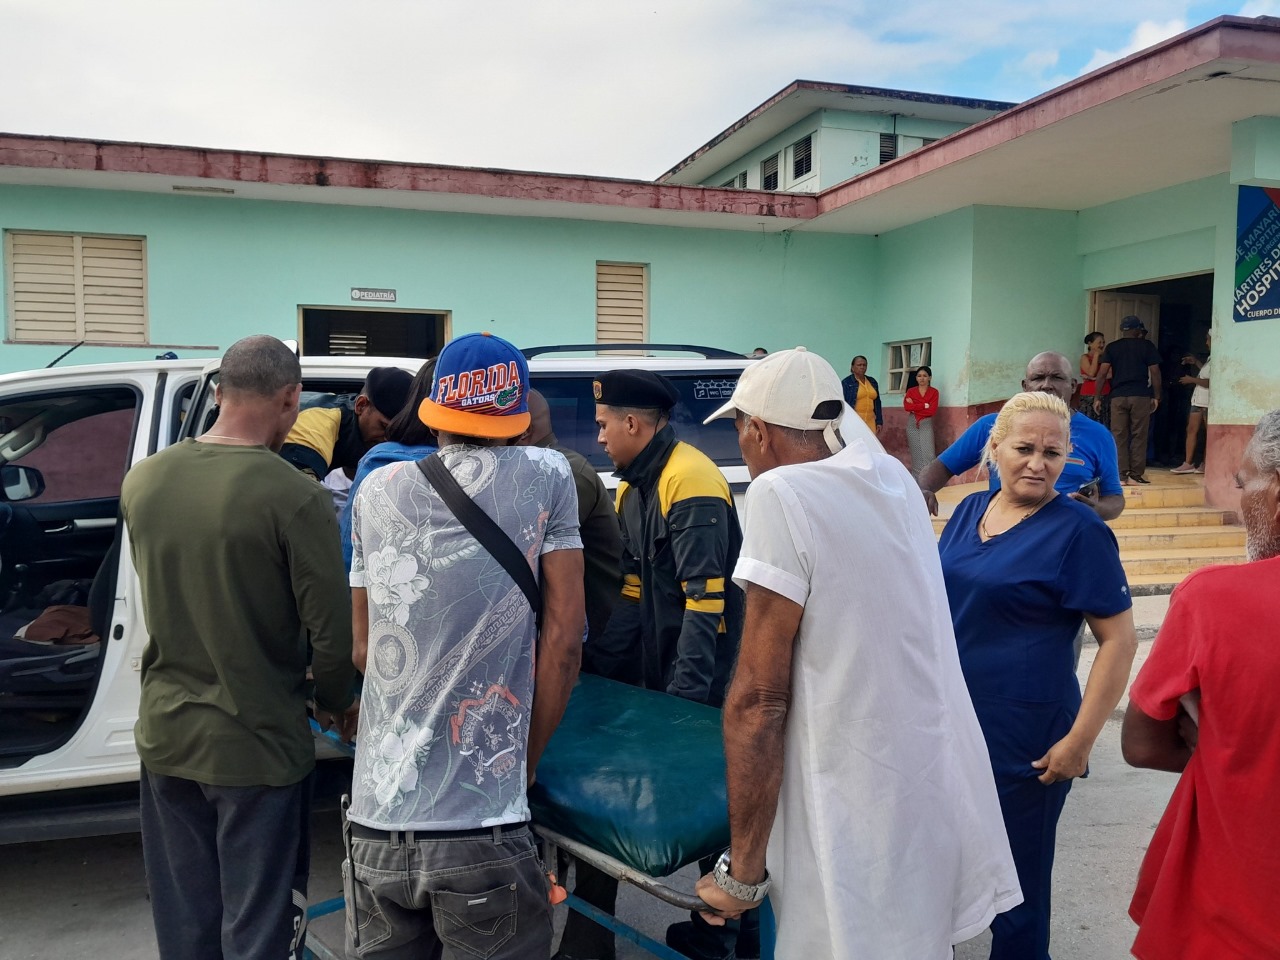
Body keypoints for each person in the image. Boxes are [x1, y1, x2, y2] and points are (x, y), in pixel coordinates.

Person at [692, 347, 1022, 958]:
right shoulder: (894, 479)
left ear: (757, 430)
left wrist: (742, 873)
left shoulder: (780, 493)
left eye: (740, 432)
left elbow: (759, 698)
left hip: (844, 808)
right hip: (923, 790)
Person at [345, 331, 584, 959]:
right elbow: (564, 642)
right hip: (483, 822)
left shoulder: (374, 490)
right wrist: (524, 762)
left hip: (376, 820)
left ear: (432, 411)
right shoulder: (547, 474)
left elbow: (364, 651)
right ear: (518, 416)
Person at [121, 334, 356, 960]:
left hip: (167, 739)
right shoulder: (296, 496)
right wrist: (338, 702)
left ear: (219, 392)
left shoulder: (144, 481)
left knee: (186, 924)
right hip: (258, 746)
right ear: (291, 399)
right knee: (259, 930)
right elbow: (331, 636)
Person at [937, 391, 1138, 960]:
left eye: (1052, 453)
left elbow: (1119, 641)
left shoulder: (1079, 530)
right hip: (952, 723)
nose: (1037, 463)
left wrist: (1080, 741)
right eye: (1024, 448)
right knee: (941, 868)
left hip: (1027, 737)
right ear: (994, 449)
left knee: (1018, 888)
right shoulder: (969, 511)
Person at [581, 369, 747, 960]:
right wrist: (599, 664)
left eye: (604, 425)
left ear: (633, 423)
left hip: (709, 674)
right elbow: (632, 588)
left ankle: (729, 936)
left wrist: (683, 702)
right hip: (664, 666)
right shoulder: (631, 488)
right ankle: (717, 930)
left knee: (720, 810)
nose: (599, 437)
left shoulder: (691, 480)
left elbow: (707, 603)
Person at [1121, 409, 1280, 959]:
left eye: (1244, 482)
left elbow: (1141, 745)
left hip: (1229, 908)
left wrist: (1223, 753)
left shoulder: (1213, 600)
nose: (1241, 502)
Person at [918, 352, 1125, 521]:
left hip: (1068, 537)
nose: (1046, 385)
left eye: (1057, 377)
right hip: (1003, 533)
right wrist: (922, 491)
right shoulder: (991, 426)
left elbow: (1115, 498)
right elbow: (942, 467)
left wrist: (1093, 510)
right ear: (1025, 386)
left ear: (1073, 386)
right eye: (1038, 378)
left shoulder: (1098, 435)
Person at [523, 389, 622, 644]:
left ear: (524, 431)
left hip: (596, 633)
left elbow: (528, 552)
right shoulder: (541, 469)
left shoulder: (564, 473)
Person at [337, 359, 438, 571]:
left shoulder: (379, 461)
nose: (384, 436)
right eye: (383, 426)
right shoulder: (502, 465)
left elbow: (351, 553)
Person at [279, 365, 413, 478]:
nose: (388, 439)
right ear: (361, 405)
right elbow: (299, 491)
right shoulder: (318, 422)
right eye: (383, 426)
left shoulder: (363, 433)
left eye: (396, 432)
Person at [1093, 316, 1162, 484]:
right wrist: (1157, 396)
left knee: (1118, 435)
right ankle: (1135, 474)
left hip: (1118, 396)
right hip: (1140, 395)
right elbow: (1155, 372)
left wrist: (1097, 397)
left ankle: (1121, 475)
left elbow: (1102, 374)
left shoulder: (1112, 347)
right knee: (1139, 435)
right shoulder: (1147, 346)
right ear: (1137, 330)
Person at [1171, 334, 1211, 474]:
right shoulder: (1210, 359)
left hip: (1207, 401)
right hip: (1198, 400)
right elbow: (1204, 374)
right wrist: (1196, 362)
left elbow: (1210, 382)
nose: (1206, 343)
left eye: (1208, 339)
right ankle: (1188, 463)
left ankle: (1206, 463)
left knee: (1208, 434)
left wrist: (1191, 380)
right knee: (1191, 429)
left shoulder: (1218, 359)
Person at [903, 364, 939, 477]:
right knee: (916, 454)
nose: (922, 378)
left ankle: (929, 479)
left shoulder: (934, 392)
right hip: (912, 424)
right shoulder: (911, 391)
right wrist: (924, 405)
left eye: (925, 376)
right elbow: (907, 407)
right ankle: (916, 480)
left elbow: (931, 411)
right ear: (916, 378)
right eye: (919, 376)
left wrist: (915, 407)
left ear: (930, 378)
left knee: (929, 454)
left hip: (926, 423)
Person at [840, 355, 881, 434]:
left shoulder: (872, 381)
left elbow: (877, 402)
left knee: (870, 440)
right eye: (859, 365)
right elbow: (843, 403)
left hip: (870, 420)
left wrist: (879, 421)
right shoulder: (847, 382)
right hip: (854, 420)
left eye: (864, 365)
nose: (862, 367)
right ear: (852, 367)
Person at [1079, 331, 1110, 427]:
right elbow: (1091, 372)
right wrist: (1096, 355)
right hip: (1088, 395)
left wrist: (1093, 379)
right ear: (1090, 344)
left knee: (1105, 424)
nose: (1102, 345)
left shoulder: (1107, 357)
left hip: (1105, 394)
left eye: (1103, 342)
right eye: (1099, 342)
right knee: (1088, 424)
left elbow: (1110, 374)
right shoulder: (1085, 357)